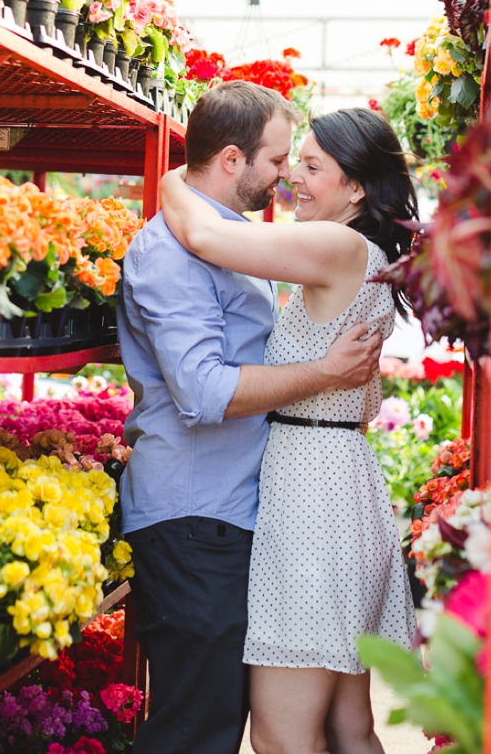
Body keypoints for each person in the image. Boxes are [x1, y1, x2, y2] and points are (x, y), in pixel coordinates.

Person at [116, 82, 384, 754]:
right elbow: (203, 391)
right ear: (232, 160)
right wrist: (324, 376)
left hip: (244, 513)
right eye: (279, 159)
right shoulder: (174, 250)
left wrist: (177, 181)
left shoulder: (239, 240)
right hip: (192, 514)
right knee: (197, 727)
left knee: (226, 721)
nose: (286, 174)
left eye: (307, 164)